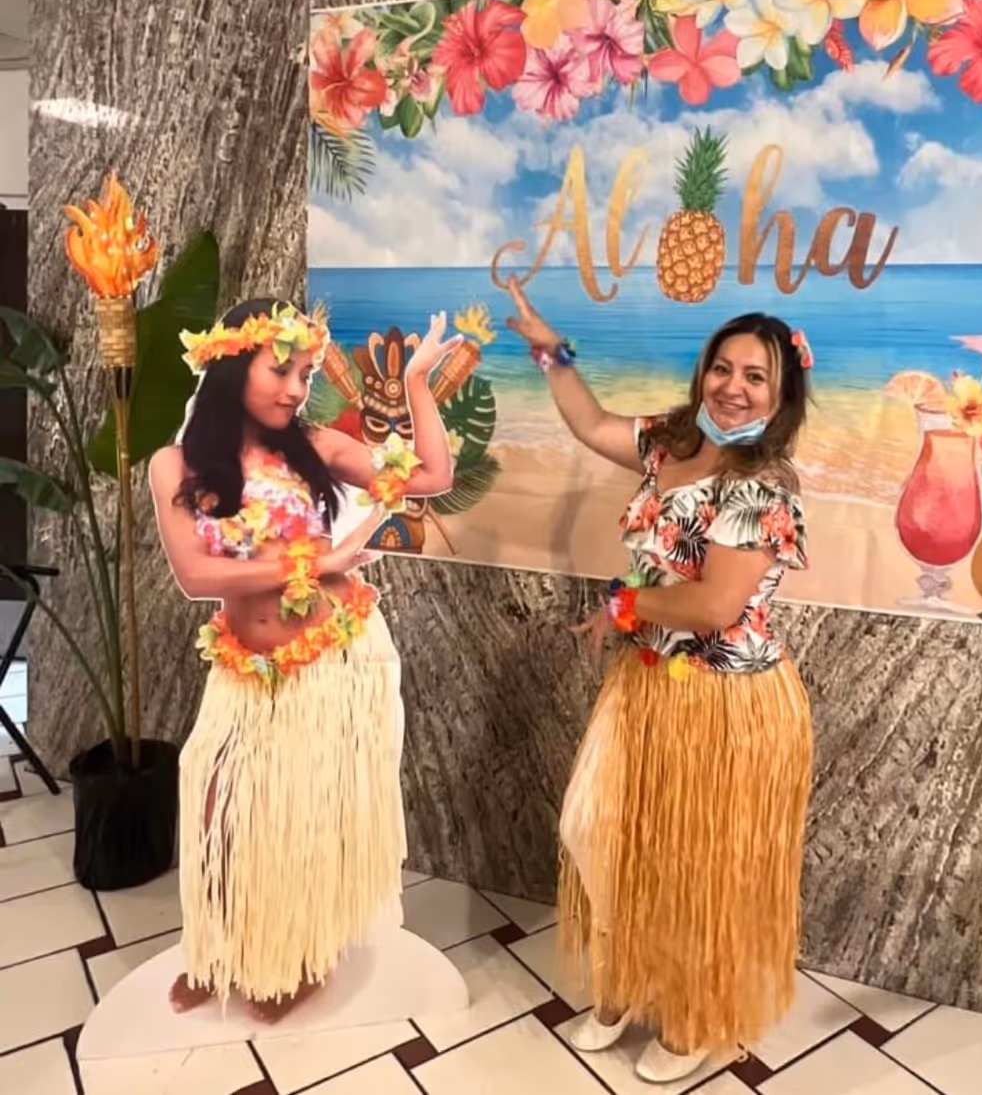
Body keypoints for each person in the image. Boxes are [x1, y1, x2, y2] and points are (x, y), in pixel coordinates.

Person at [504, 277, 814, 1083]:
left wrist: (625, 601)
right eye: (723, 366)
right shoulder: (674, 442)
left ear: (781, 397)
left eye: (756, 376)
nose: (733, 387)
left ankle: (697, 1013)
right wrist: (549, 347)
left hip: (726, 699)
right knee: (596, 830)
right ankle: (626, 983)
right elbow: (592, 422)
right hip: (646, 684)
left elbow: (714, 604)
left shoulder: (762, 485)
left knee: (696, 865)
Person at [148, 298, 458, 1022]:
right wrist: (322, 556)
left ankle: (295, 954)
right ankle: (219, 948)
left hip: (333, 661)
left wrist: (417, 382)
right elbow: (197, 575)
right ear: (233, 366)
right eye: (280, 368)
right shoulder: (178, 463)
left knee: (305, 809)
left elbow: (432, 473)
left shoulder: (314, 443)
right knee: (215, 802)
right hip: (244, 665)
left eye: (306, 371)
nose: (295, 386)